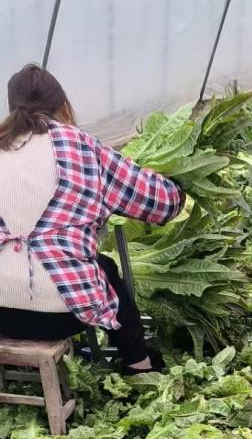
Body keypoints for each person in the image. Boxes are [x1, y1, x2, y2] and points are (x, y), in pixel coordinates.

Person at [0, 64, 183, 373]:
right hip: (61, 316)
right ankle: (138, 361)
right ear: (61, 103)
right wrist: (179, 190)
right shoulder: (82, 147)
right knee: (105, 268)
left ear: (11, 106)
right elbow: (161, 203)